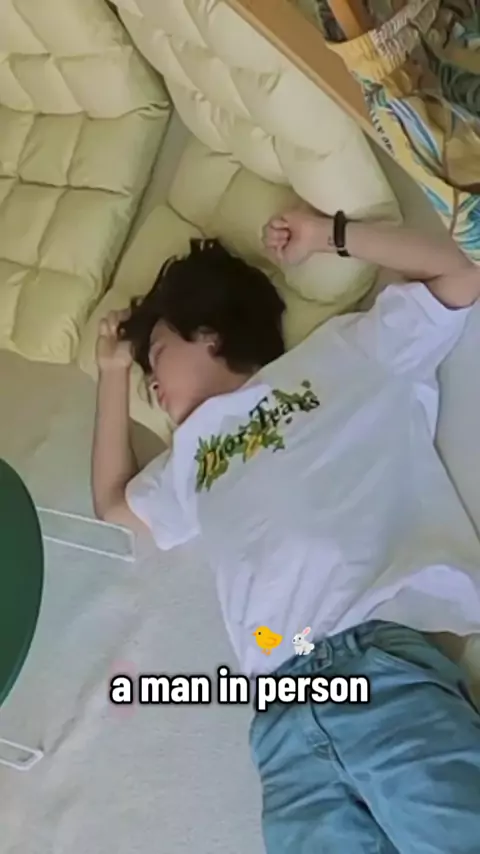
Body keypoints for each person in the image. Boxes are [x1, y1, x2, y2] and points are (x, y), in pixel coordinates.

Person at [92, 207, 480, 853]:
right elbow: (113, 503)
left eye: (155, 356)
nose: (150, 383)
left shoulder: (339, 355)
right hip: (279, 722)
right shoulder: (187, 461)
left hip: (377, 664)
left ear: (209, 334)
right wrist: (109, 376)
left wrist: (330, 235)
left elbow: (459, 270)